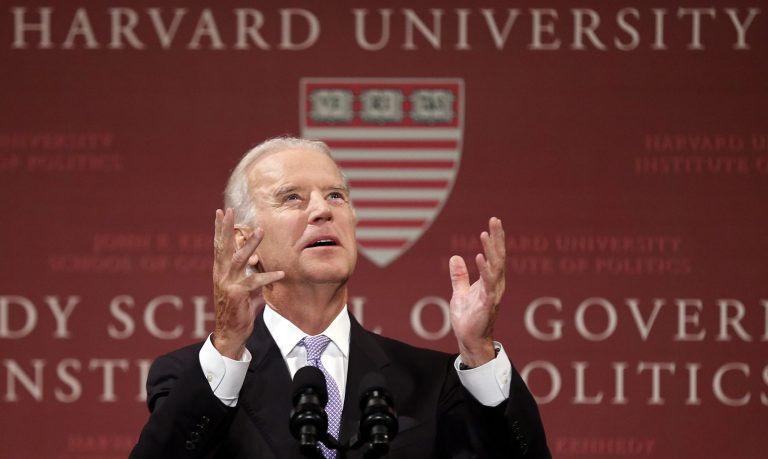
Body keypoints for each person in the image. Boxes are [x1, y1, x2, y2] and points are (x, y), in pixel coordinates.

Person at [130, 137, 550, 458]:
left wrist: (479, 351)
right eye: (292, 197)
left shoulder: (433, 381)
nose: (322, 210)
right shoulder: (193, 376)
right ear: (245, 242)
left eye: (335, 195)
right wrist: (225, 345)